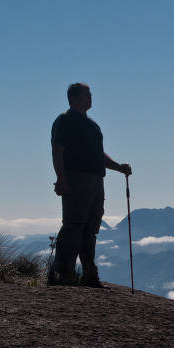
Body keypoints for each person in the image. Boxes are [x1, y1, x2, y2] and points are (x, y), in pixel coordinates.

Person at [50, 82, 131, 287]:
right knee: (74, 225)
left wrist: (118, 167)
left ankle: (89, 274)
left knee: (90, 228)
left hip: (95, 180)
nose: (91, 98)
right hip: (76, 178)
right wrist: (61, 179)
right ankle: (64, 274)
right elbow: (57, 150)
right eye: (87, 95)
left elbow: (98, 155)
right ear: (74, 98)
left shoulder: (92, 125)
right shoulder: (65, 121)